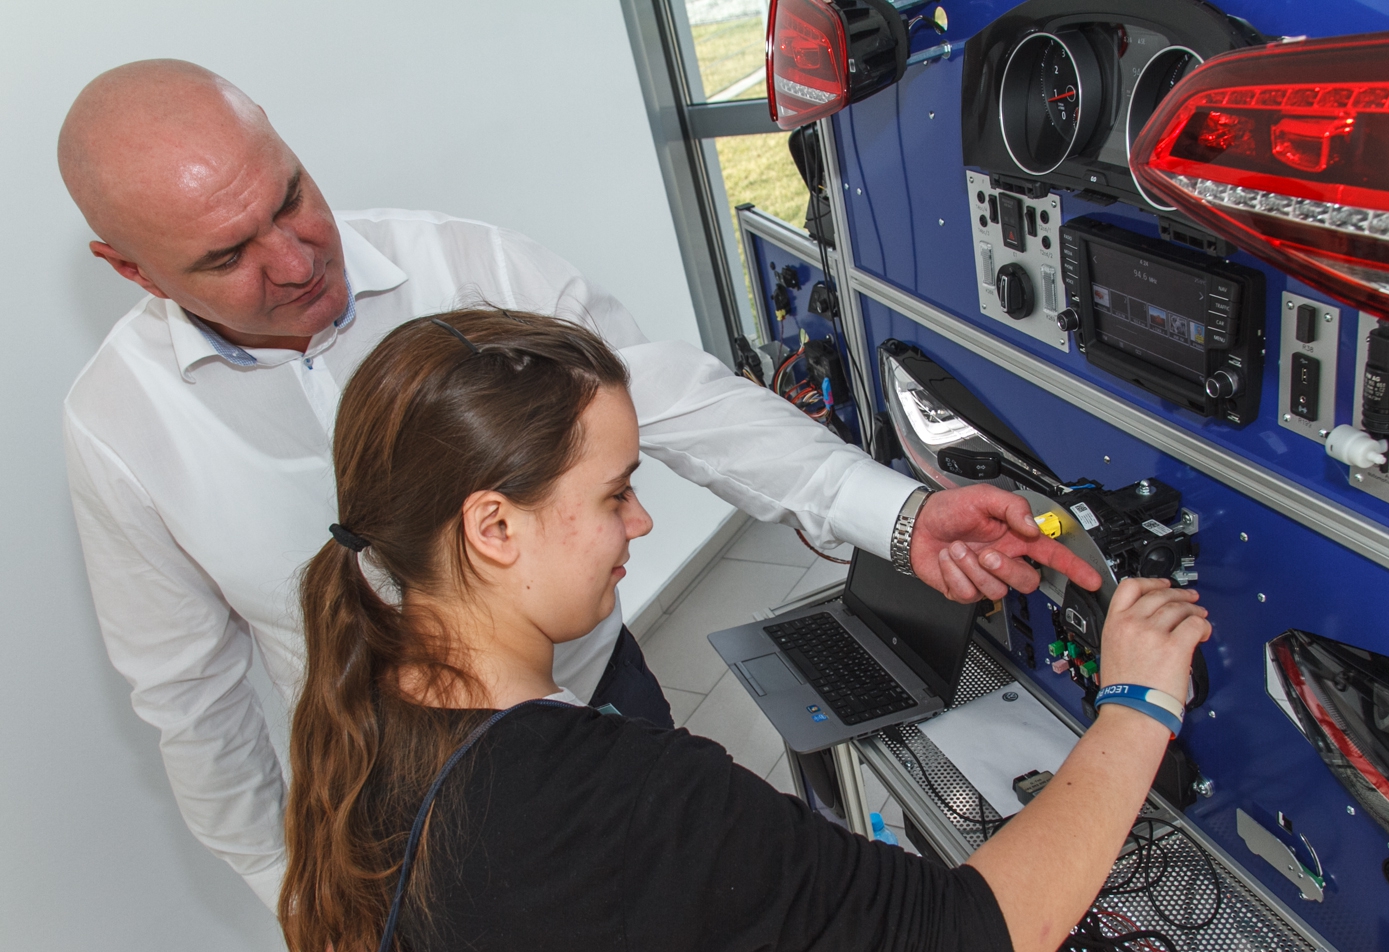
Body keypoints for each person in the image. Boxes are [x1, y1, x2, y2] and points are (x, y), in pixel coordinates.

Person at [57, 60, 1104, 907]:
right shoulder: (117, 429)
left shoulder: (464, 265)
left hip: (600, 705)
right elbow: (190, 700)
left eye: (292, 198)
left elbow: (679, 402)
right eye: (228, 256)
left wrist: (901, 514)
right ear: (132, 270)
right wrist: (298, 898)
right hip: (396, 803)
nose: (294, 262)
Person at [281, 308, 1212, 952]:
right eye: (614, 493)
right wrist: (1137, 703)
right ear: (493, 528)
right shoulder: (622, 804)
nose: (642, 521)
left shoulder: (372, 709)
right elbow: (973, 940)